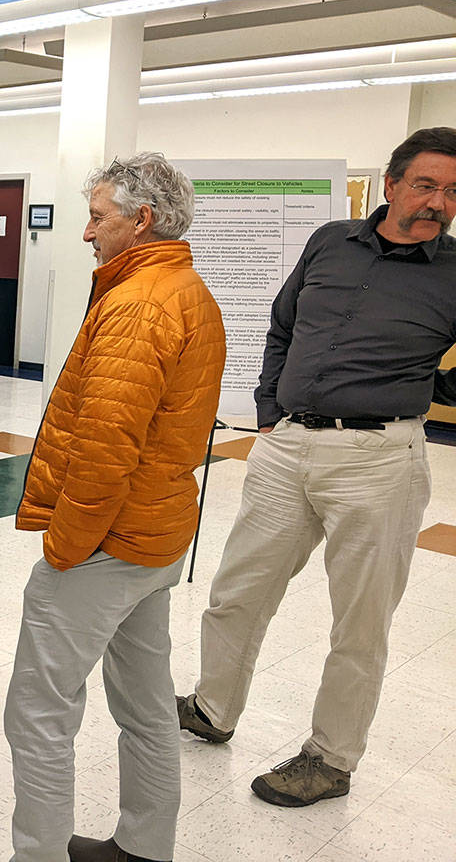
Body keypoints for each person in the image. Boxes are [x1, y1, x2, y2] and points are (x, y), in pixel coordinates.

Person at [178, 127, 456, 807]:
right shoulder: (330, 241)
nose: (438, 203)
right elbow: (282, 324)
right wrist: (269, 405)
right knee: (236, 592)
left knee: (359, 624)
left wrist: (426, 385)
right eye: (425, 185)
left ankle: (330, 759)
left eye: (451, 192)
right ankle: (213, 710)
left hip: (379, 459)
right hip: (286, 447)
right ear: (391, 185)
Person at [4, 153, 226, 862]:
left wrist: (66, 548)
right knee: (146, 703)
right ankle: (144, 846)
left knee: (39, 709)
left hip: (109, 540)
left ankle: (35, 855)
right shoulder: (187, 289)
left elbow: (105, 450)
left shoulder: (137, 303)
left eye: (98, 217)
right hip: (157, 534)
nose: (87, 232)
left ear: (142, 220)